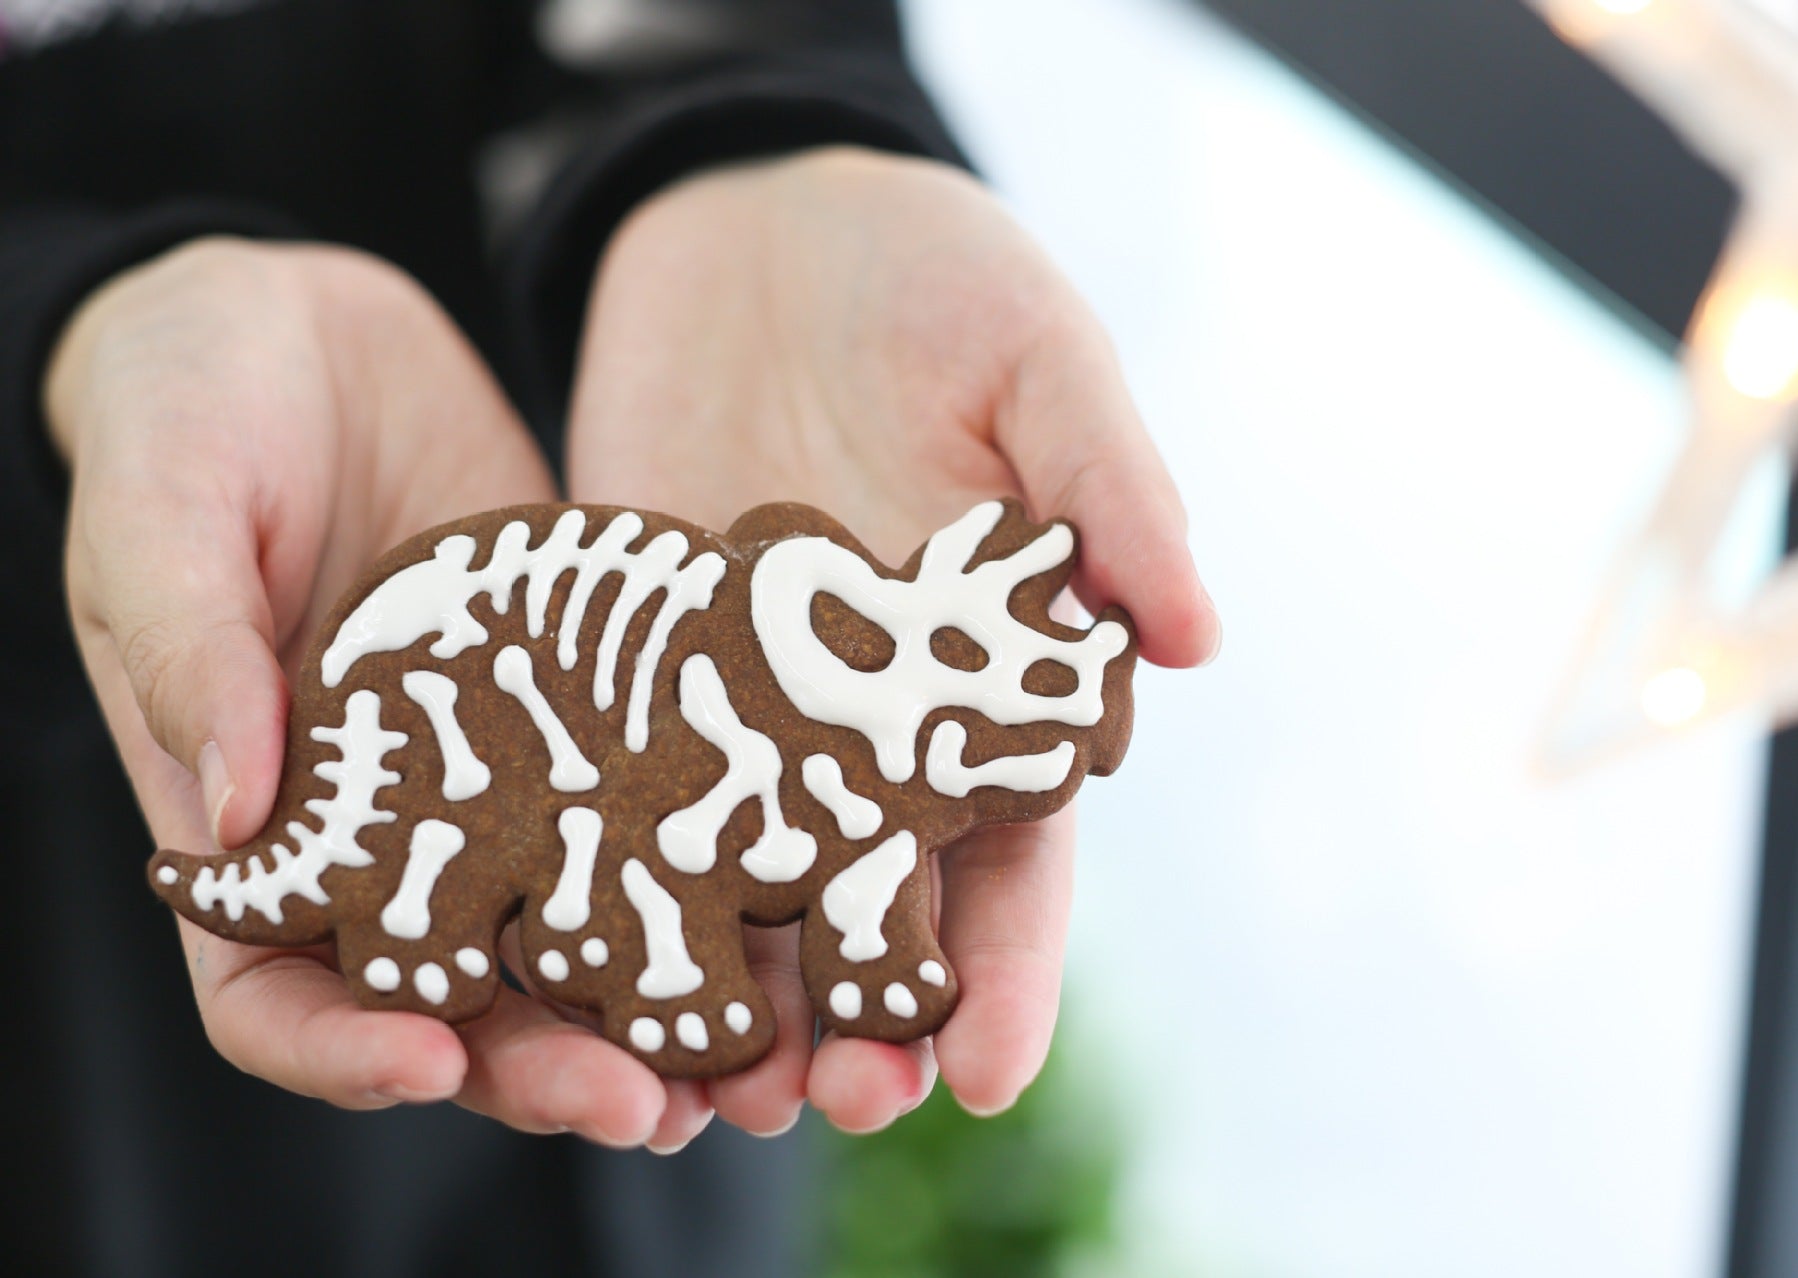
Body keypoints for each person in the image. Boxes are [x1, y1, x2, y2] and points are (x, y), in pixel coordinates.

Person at [0, 1, 1220, 1272]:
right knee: (531, 838)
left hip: (597, 421)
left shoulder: (861, 779)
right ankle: (445, 922)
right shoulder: (749, 759)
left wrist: (761, 127)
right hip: (114, 956)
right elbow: (641, 840)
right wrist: (60, 342)